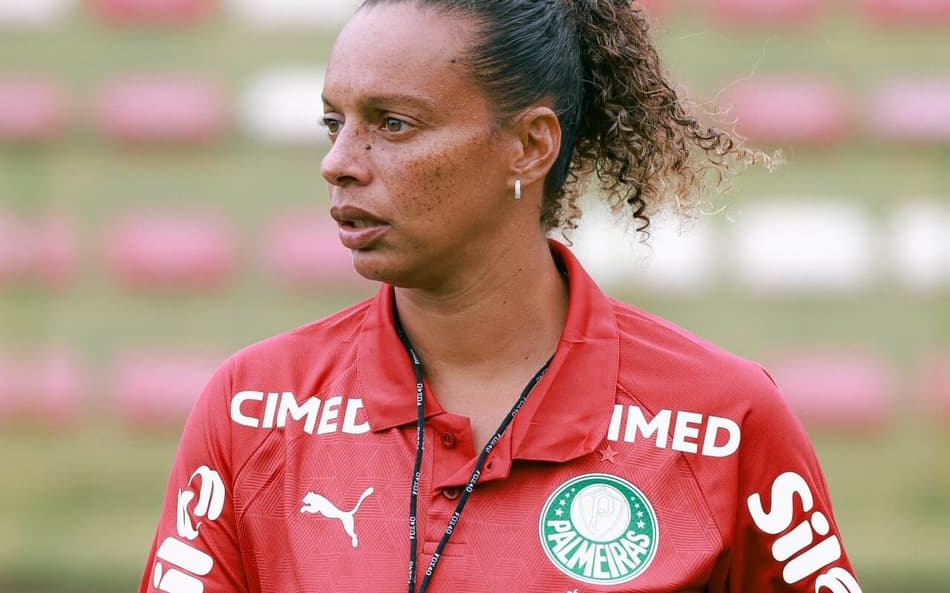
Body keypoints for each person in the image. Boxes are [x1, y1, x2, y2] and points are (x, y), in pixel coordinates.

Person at [140, 1, 863, 592]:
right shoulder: (250, 407)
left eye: (393, 123)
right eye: (336, 123)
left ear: (529, 146)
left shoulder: (725, 420)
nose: (338, 163)